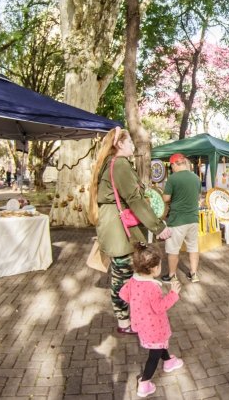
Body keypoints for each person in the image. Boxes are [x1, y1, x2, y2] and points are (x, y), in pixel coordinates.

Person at [89, 127, 172, 334]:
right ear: (119, 144)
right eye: (129, 142)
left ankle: (128, 319)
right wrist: (158, 226)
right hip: (120, 230)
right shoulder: (120, 165)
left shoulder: (112, 164)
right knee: (122, 278)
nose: (132, 146)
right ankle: (125, 322)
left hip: (115, 226)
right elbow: (134, 199)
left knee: (123, 275)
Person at [119, 244, 184, 397]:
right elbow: (159, 307)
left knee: (159, 345)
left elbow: (123, 294)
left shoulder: (133, 281)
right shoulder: (152, 287)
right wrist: (173, 294)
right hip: (154, 326)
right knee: (153, 356)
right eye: (161, 264)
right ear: (154, 268)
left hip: (142, 325)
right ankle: (144, 383)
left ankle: (168, 361)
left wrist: (137, 302)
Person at [161, 153, 202, 283]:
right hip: (193, 219)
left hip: (177, 220)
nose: (171, 168)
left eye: (171, 166)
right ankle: (194, 274)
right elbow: (197, 196)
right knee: (193, 247)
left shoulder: (173, 179)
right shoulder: (196, 178)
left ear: (174, 164)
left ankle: (172, 275)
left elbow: (166, 198)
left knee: (173, 249)